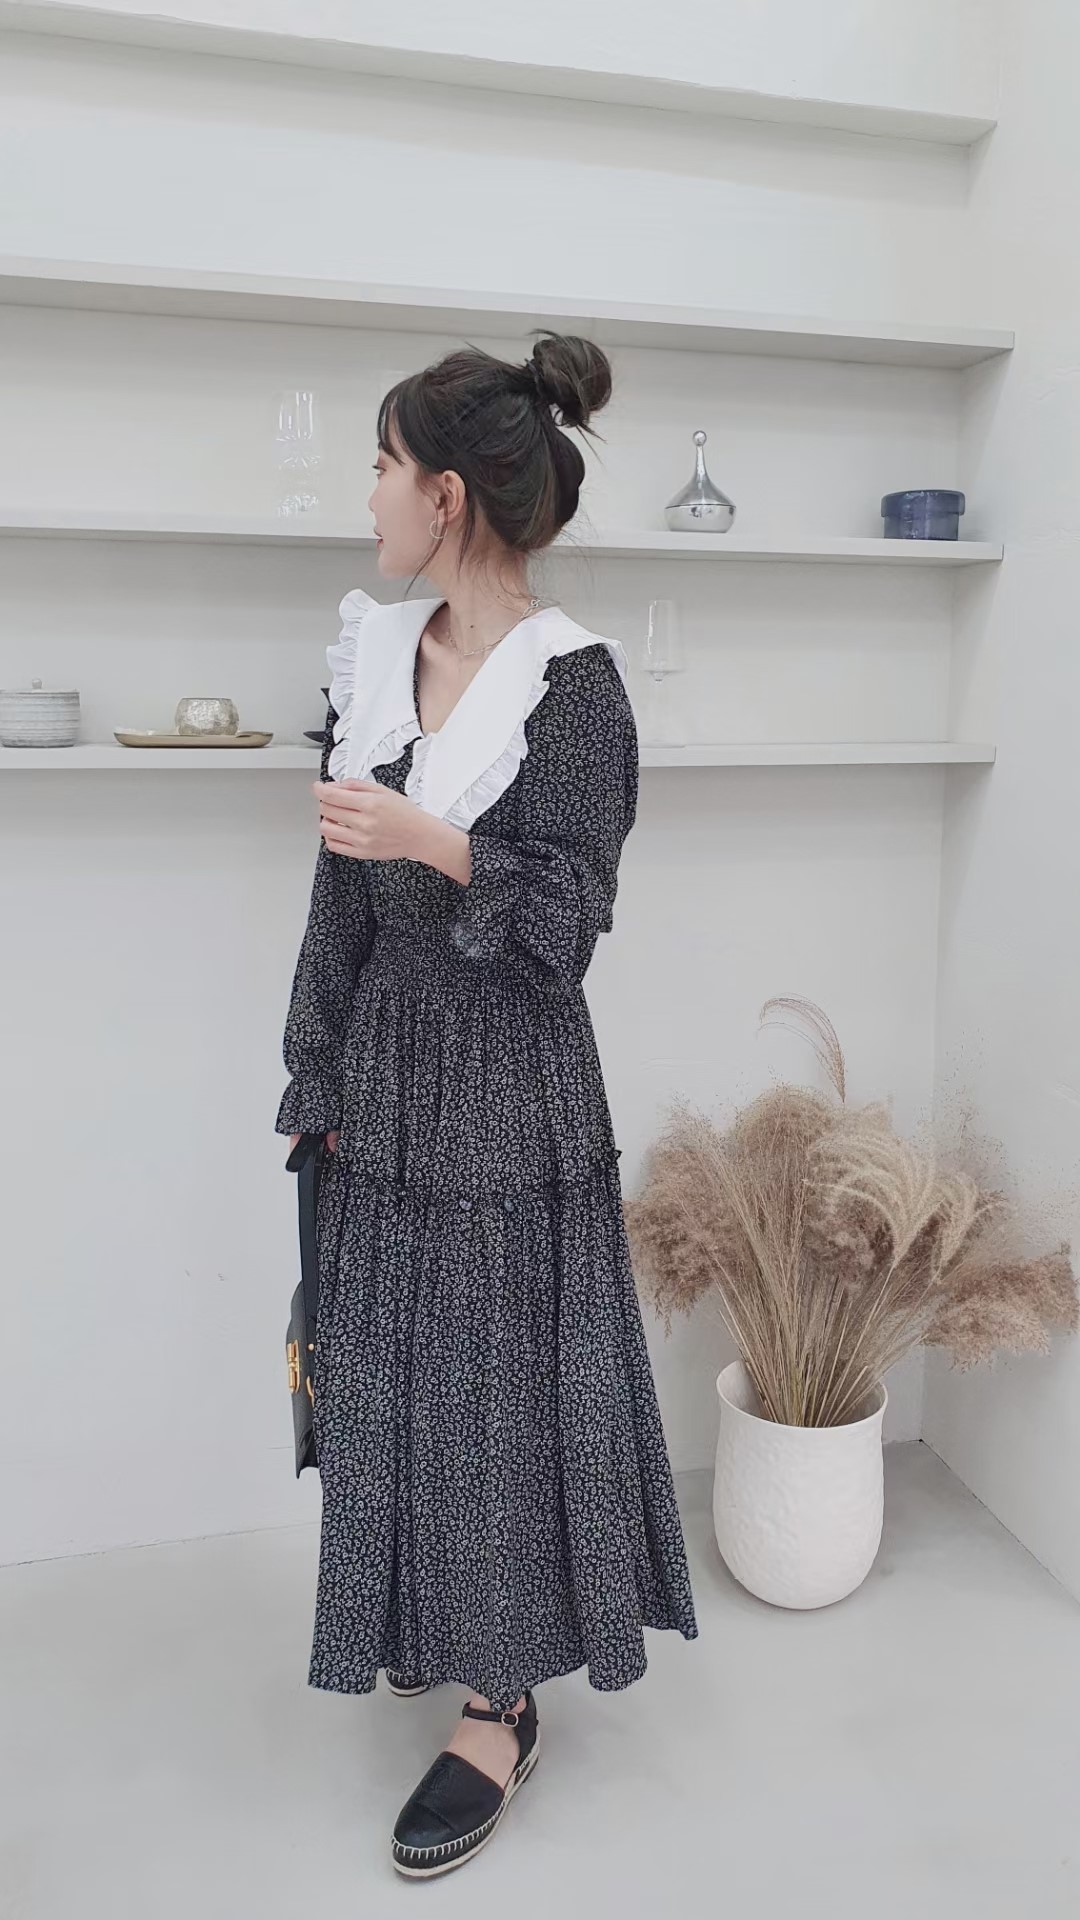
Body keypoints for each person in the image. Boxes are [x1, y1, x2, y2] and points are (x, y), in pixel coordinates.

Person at [275, 331, 698, 1879]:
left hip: (511, 1084)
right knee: (384, 1373)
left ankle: (501, 1703)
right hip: (384, 1063)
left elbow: (570, 922)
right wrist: (312, 1070)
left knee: (496, 1395)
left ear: (446, 495)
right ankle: (424, 1608)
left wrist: (434, 841)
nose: (371, 494)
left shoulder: (572, 689)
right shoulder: (370, 657)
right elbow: (334, 894)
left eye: (384, 465)